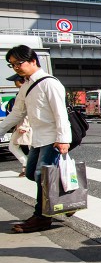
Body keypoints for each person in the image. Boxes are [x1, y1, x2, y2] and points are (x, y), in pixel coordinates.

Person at [0, 45, 71, 233]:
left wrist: (64, 139)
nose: (15, 67)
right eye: (12, 64)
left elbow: (60, 113)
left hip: (52, 138)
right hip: (37, 139)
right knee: (32, 173)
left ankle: (41, 217)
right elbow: (16, 113)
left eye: (18, 63)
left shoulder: (50, 83)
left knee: (42, 177)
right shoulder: (26, 86)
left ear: (33, 61)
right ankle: (65, 195)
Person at [6, 74, 31, 176]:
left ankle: (29, 167)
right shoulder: (23, 92)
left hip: (27, 125)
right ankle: (27, 166)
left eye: (15, 81)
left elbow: (27, 111)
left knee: (32, 147)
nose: (14, 84)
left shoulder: (25, 93)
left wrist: (24, 126)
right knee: (15, 146)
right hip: (25, 125)